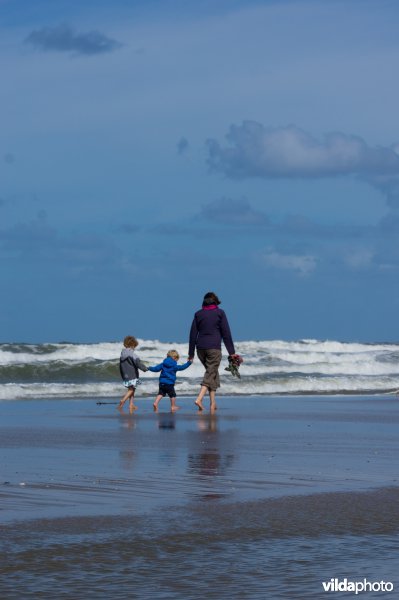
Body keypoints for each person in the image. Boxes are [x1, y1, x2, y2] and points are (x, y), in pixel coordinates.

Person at [189, 291, 236, 413]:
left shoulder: (198, 314)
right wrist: (232, 352)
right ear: (215, 301)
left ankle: (212, 403)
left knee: (212, 373)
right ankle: (199, 399)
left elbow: (193, 334)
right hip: (214, 348)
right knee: (210, 373)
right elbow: (226, 333)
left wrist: (191, 353)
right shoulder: (220, 313)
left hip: (200, 349)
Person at [119, 335, 148, 412]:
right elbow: (138, 364)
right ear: (132, 345)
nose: (134, 348)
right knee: (131, 390)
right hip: (132, 374)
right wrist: (145, 368)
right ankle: (123, 400)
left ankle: (131, 404)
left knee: (131, 389)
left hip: (125, 374)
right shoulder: (133, 355)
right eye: (134, 346)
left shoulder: (122, 354)